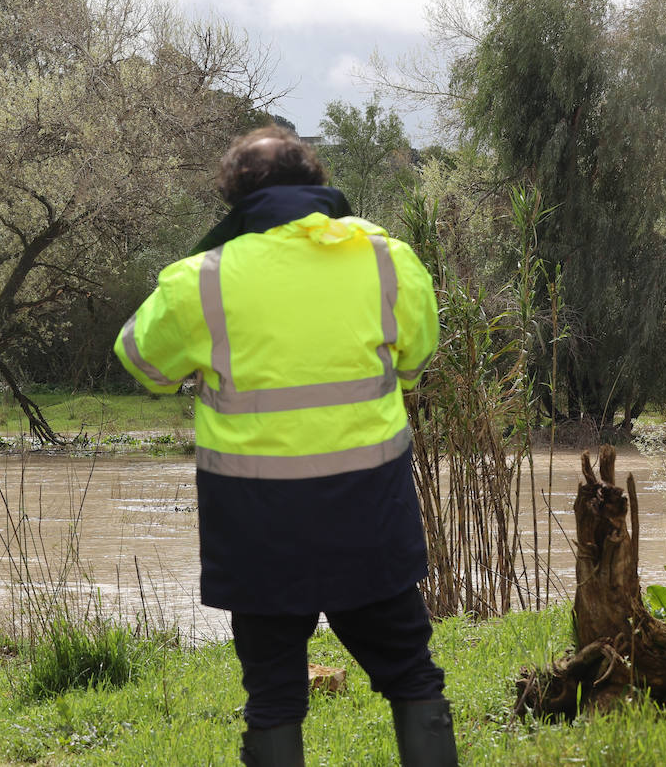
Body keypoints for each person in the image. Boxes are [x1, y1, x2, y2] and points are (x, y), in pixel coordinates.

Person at [114, 127, 456, 766]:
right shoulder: (387, 259)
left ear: (235, 200)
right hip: (370, 516)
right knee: (412, 674)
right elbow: (416, 361)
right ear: (319, 184)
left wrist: (201, 263)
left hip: (257, 528)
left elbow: (141, 361)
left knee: (273, 696)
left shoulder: (202, 281)